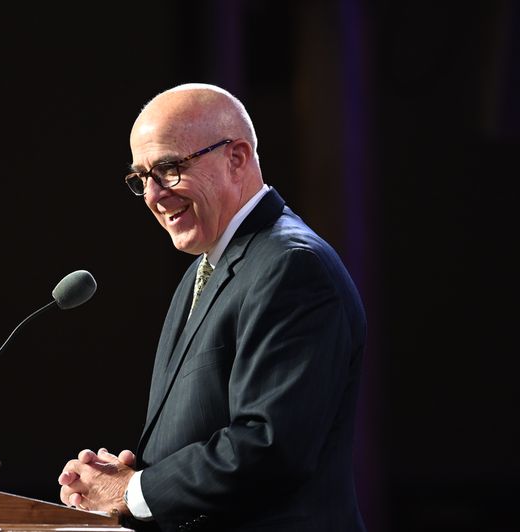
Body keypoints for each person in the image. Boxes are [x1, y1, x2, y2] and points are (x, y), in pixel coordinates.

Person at [57, 83, 367, 531]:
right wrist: (121, 483)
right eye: (141, 177)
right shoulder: (206, 268)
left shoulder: (293, 267)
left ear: (236, 157)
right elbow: (201, 431)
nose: (153, 195)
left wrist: (134, 491)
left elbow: (268, 447)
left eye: (168, 168)